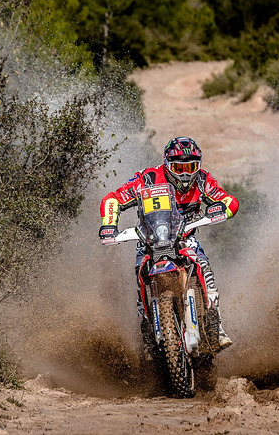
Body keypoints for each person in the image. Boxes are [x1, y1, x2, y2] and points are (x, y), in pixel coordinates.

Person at [99, 137, 238, 352]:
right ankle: (147, 336)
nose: (184, 173)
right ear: (167, 164)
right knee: (140, 276)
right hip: (150, 241)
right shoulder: (148, 178)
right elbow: (113, 199)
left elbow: (229, 200)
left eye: (190, 167)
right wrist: (109, 225)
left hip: (184, 239)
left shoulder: (202, 180)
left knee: (204, 268)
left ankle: (216, 328)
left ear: (198, 166)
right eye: (178, 167)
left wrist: (220, 208)